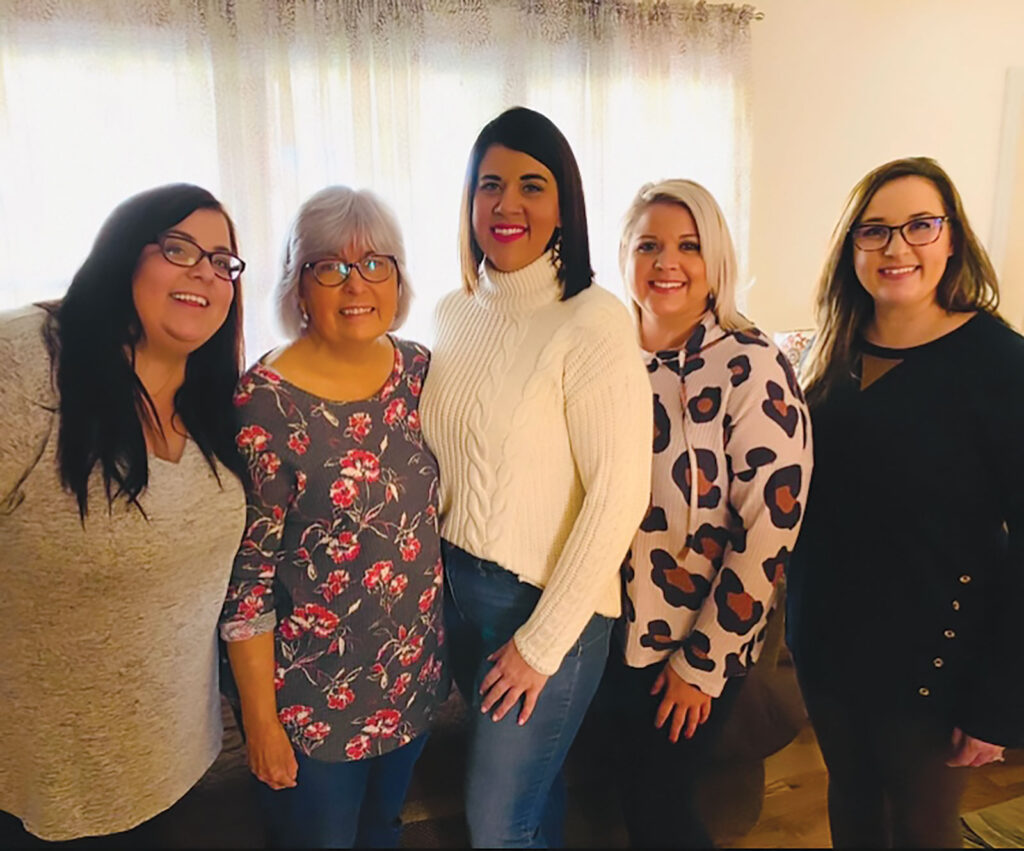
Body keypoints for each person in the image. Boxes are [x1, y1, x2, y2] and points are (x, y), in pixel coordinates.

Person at [419, 106, 652, 848]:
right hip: (459, 595)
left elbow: (619, 493)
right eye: (490, 184)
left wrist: (540, 641)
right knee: (531, 796)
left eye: (532, 184)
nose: (507, 204)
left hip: (549, 605)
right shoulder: (452, 312)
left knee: (496, 821)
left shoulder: (592, 319)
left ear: (564, 205)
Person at [0, 184, 249, 843]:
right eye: (178, 248)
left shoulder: (219, 401)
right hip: (37, 786)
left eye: (223, 261)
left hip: (171, 765)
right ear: (121, 258)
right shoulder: (28, 362)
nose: (205, 270)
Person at [788, 156, 1024, 848]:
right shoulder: (829, 353)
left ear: (952, 237)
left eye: (920, 225)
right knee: (854, 811)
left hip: (935, 655)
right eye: (875, 231)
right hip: (828, 645)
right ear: (851, 246)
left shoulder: (999, 364)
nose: (897, 247)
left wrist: (1001, 703)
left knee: (919, 828)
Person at [219, 186, 446, 849]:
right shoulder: (264, 401)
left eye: (376, 263)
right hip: (312, 704)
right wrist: (261, 724)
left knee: (383, 830)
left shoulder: (419, 372)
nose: (357, 283)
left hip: (411, 679)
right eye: (331, 266)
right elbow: (250, 579)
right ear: (299, 285)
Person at [593, 179, 813, 847]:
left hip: (696, 639)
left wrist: (703, 661)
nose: (667, 262)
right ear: (624, 255)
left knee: (661, 805)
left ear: (715, 260)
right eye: (649, 244)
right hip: (607, 633)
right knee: (633, 796)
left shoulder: (752, 366)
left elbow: (770, 530)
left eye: (688, 246)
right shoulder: (604, 359)